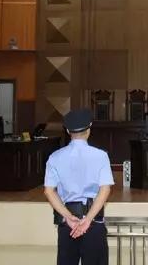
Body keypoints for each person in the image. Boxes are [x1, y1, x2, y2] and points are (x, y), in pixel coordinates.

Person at [44, 108, 114, 265]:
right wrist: (88, 219)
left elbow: (49, 191)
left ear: (68, 131)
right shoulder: (100, 156)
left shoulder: (55, 157)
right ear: (89, 129)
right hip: (94, 223)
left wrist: (68, 217)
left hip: (68, 225)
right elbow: (105, 189)